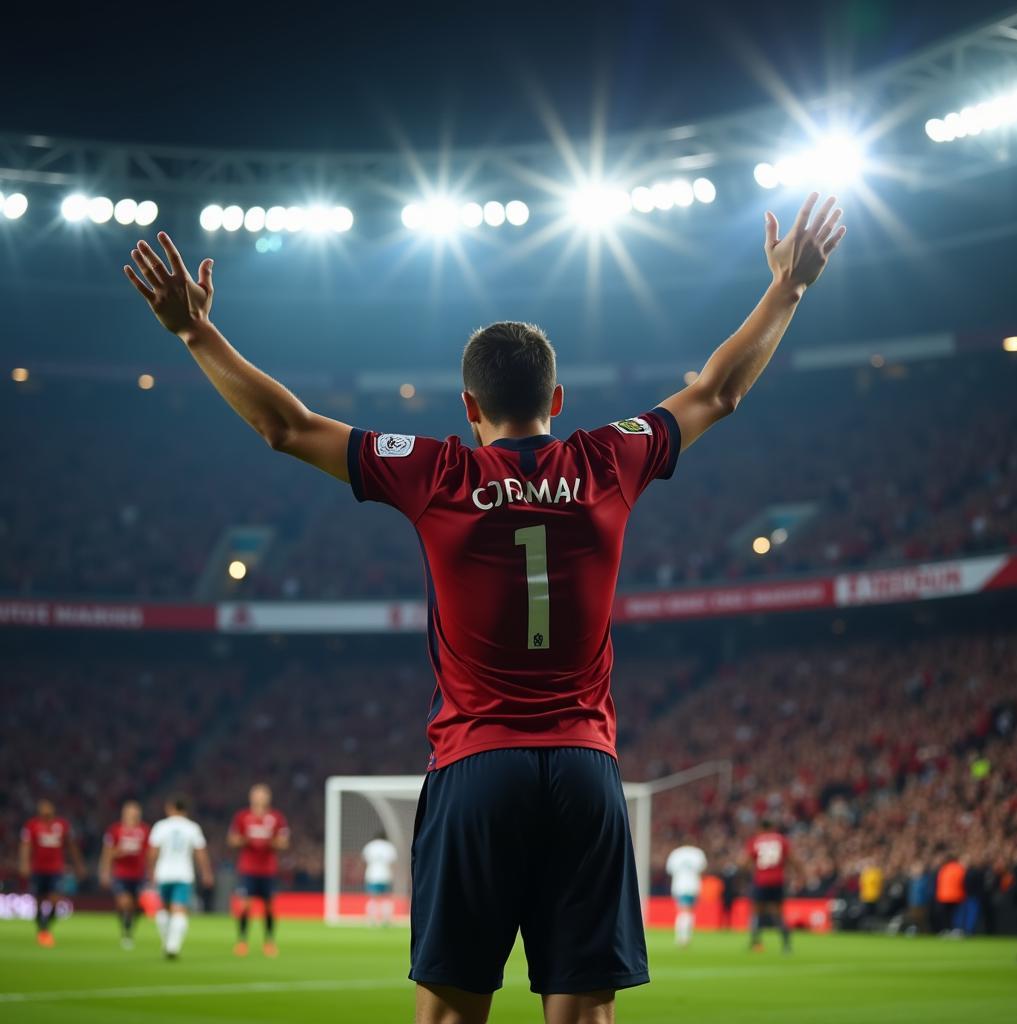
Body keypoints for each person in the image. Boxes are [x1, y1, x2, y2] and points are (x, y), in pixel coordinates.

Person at [123, 192, 845, 1023]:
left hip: (475, 766)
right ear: (559, 399)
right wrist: (788, 288)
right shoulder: (611, 457)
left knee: (452, 1012)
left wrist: (194, 330)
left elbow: (286, 427)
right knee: (584, 1015)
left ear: (469, 409)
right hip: (583, 766)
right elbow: (718, 391)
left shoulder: (435, 473)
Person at [147, 795, 213, 960]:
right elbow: (201, 852)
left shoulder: (160, 826)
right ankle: (173, 946)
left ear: (170, 808)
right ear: (185, 810)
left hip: (164, 873)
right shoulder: (192, 828)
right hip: (183, 874)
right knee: (179, 910)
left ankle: (167, 943)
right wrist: (206, 872)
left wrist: (150, 871)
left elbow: (153, 851)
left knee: (164, 909)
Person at [228, 783, 289, 957]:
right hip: (248, 868)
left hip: (268, 869)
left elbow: (284, 842)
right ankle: (242, 941)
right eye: (257, 795)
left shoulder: (276, 817)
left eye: (263, 795)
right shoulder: (242, 816)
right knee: (245, 904)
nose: (260, 798)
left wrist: (269, 841)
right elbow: (232, 840)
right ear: (251, 797)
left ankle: (269, 941)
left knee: (269, 907)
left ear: (268, 798)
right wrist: (247, 840)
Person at [18, 799, 85, 947]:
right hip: (38, 869)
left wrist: (78, 864)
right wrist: (24, 864)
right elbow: (25, 846)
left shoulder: (61, 826)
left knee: (55, 900)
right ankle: (42, 928)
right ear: (39, 812)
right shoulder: (32, 826)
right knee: (39, 901)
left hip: (56, 869)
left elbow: (71, 846)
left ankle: (45, 927)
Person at [99, 799, 150, 949]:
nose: (134, 816)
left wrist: (152, 872)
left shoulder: (145, 830)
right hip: (121, 873)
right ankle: (126, 931)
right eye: (131, 813)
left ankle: (130, 926)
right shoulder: (114, 830)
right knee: (124, 902)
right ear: (124, 814)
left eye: (136, 813)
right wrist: (105, 871)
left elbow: (149, 853)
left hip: (139, 874)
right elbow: (107, 853)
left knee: (136, 906)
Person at [746, 820, 792, 953]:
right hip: (778, 880)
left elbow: (748, 860)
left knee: (756, 912)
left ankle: (755, 942)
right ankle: (786, 944)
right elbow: (790, 858)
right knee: (779, 913)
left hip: (761, 880)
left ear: (761, 828)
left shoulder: (756, 841)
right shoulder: (781, 840)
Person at [665, 843, 707, 947]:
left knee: (682, 911)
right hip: (692, 885)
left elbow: (669, 870)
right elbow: (703, 868)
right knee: (688, 911)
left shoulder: (676, 853)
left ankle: (682, 937)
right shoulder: (697, 853)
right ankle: (684, 938)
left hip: (679, 885)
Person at [362, 832, 399, 926]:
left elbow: (364, 860)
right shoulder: (389, 847)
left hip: (372, 875)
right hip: (385, 875)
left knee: (373, 898)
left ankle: (371, 920)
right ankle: (386, 920)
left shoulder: (370, 846)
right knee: (386, 898)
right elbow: (393, 863)